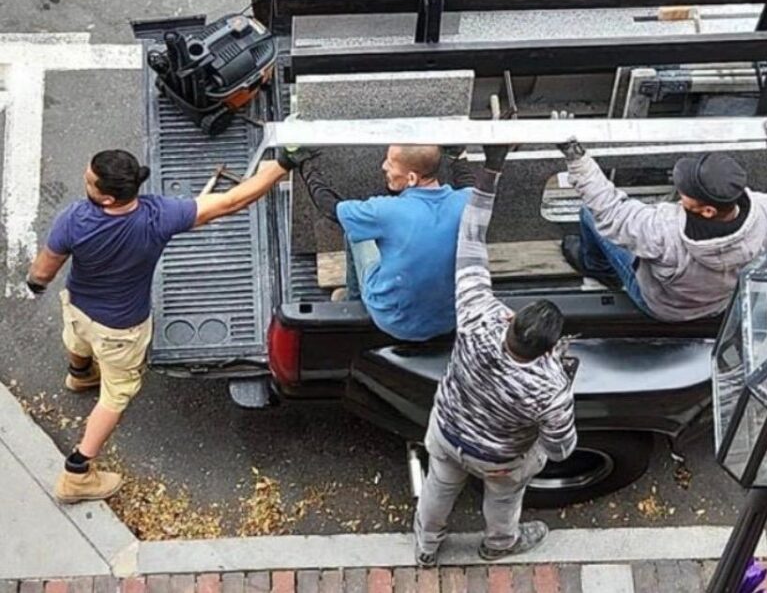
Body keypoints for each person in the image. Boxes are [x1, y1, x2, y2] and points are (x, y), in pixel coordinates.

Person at [26, 148, 302, 503]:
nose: (85, 179)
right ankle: (77, 472)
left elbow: (43, 271)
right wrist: (283, 164)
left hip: (79, 307)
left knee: (78, 338)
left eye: (89, 179)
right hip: (122, 329)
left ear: (107, 197)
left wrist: (35, 284)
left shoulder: (73, 219)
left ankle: (79, 374)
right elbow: (233, 201)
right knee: (117, 394)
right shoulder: (159, 217)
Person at [413, 144, 578, 566]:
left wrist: (492, 168)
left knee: (437, 488)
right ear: (548, 348)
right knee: (504, 502)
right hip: (500, 459)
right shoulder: (551, 387)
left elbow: (471, 236)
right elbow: (561, 449)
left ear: (512, 321)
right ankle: (498, 545)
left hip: (448, 433)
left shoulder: (476, 318)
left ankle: (427, 547)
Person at [558, 115, 767, 322]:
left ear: (707, 210)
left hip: (663, 306)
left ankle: (597, 268)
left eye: (686, 193)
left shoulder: (664, 232)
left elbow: (611, 212)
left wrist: (577, 160)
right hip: (719, 302)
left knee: (589, 213)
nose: (680, 194)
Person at [295, 144, 473, 342]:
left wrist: (304, 163)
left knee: (356, 232)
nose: (383, 166)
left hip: (394, 320)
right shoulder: (467, 202)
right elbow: (468, 183)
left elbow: (328, 206)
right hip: (451, 319)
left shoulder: (384, 211)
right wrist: (459, 156)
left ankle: (353, 301)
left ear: (412, 178)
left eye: (391, 163)